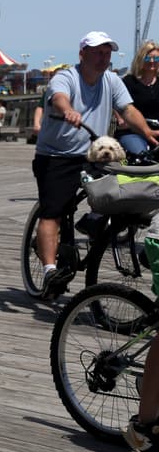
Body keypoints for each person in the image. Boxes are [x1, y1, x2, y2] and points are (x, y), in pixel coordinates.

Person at [32, 32, 159, 296]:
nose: (103, 58)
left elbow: (127, 110)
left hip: (92, 155)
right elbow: (59, 97)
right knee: (52, 213)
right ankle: (50, 271)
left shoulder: (111, 81)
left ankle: (94, 222)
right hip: (57, 155)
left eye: (107, 53)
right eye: (97, 52)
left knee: (118, 192)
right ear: (82, 54)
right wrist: (67, 109)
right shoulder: (67, 77)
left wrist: (146, 132)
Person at [116, 40, 159, 156]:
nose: (152, 62)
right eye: (148, 58)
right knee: (140, 155)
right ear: (141, 59)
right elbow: (118, 103)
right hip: (133, 132)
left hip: (156, 131)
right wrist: (121, 119)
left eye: (156, 59)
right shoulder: (129, 81)